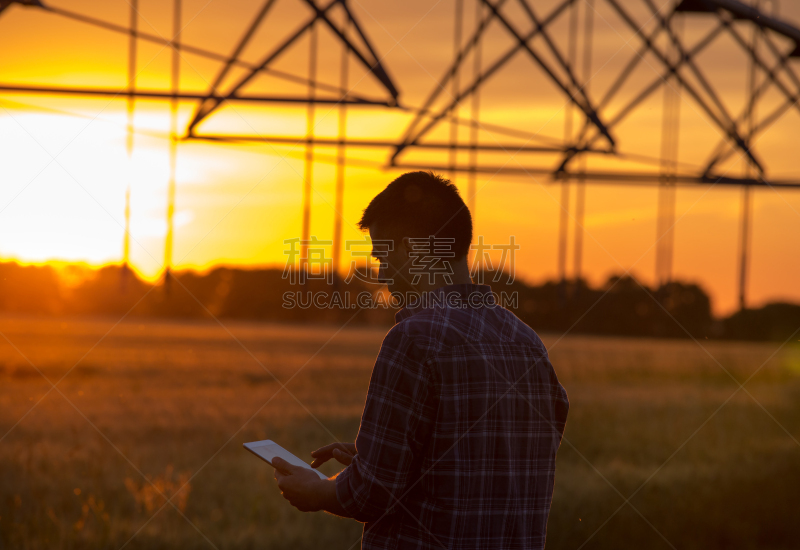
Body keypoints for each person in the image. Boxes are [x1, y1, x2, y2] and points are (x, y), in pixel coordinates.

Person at [272, 171, 569, 550]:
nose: (381, 274)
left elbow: (372, 494)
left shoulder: (414, 340)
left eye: (383, 255)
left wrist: (317, 492)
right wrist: (381, 458)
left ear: (412, 248)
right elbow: (499, 461)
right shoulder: (528, 344)